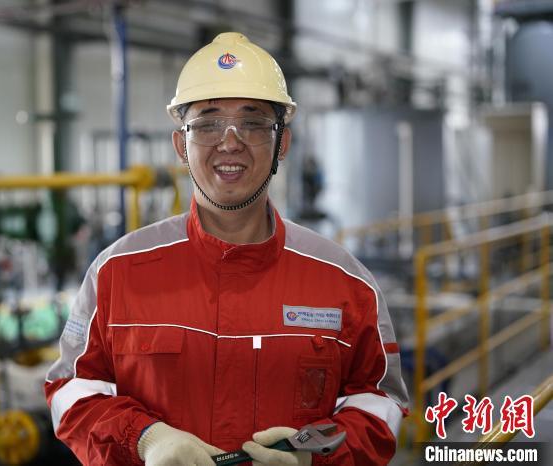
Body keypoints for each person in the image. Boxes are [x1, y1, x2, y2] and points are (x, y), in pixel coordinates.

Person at [45, 32, 408, 465]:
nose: (230, 142)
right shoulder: (117, 273)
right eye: (207, 124)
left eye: (253, 123)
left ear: (282, 143)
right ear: (181, 146)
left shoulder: (345, 283)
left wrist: (316, 457)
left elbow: (379, 403)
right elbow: (72, 390)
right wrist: (144, 438)